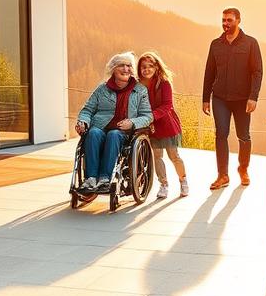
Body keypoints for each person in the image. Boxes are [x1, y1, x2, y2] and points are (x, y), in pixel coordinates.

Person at [202, 7, 263, 190]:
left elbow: (257, 72)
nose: (225, 24)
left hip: (243, 99)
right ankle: (222, 175)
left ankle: (243, 169)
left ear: (238, 21)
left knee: (243, 136)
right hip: (220, 97)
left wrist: (253, 97)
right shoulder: (215, 44)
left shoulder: (251, 43)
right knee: (221, 134)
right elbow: (209, 72)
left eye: (229, 20)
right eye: (223, 20)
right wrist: (205, 98)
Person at [75, 52, 153, 192]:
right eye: (121, 65)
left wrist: (132, 122)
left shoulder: (140, 90)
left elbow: (147, 116)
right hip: (100, 127)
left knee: (114, 135)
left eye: (128, 65)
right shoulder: (102, 89)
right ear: (113, 69)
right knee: (92, 133)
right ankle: (91, 178)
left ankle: (105, 178)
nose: (125, 69)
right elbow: (87, 110)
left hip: (123, 132)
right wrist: (83, 122)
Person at [137, 51, 189, 199]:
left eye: (150, 66)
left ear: (156, 67)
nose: (146, 69)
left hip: (166, 124)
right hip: (151, 126)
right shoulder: (139, 85)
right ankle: (164, 184)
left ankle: (183, 180)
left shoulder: (164, 83)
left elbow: (167, 105)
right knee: (157, 156)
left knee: (174, 156)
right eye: (143, 67)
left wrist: (151, 116)